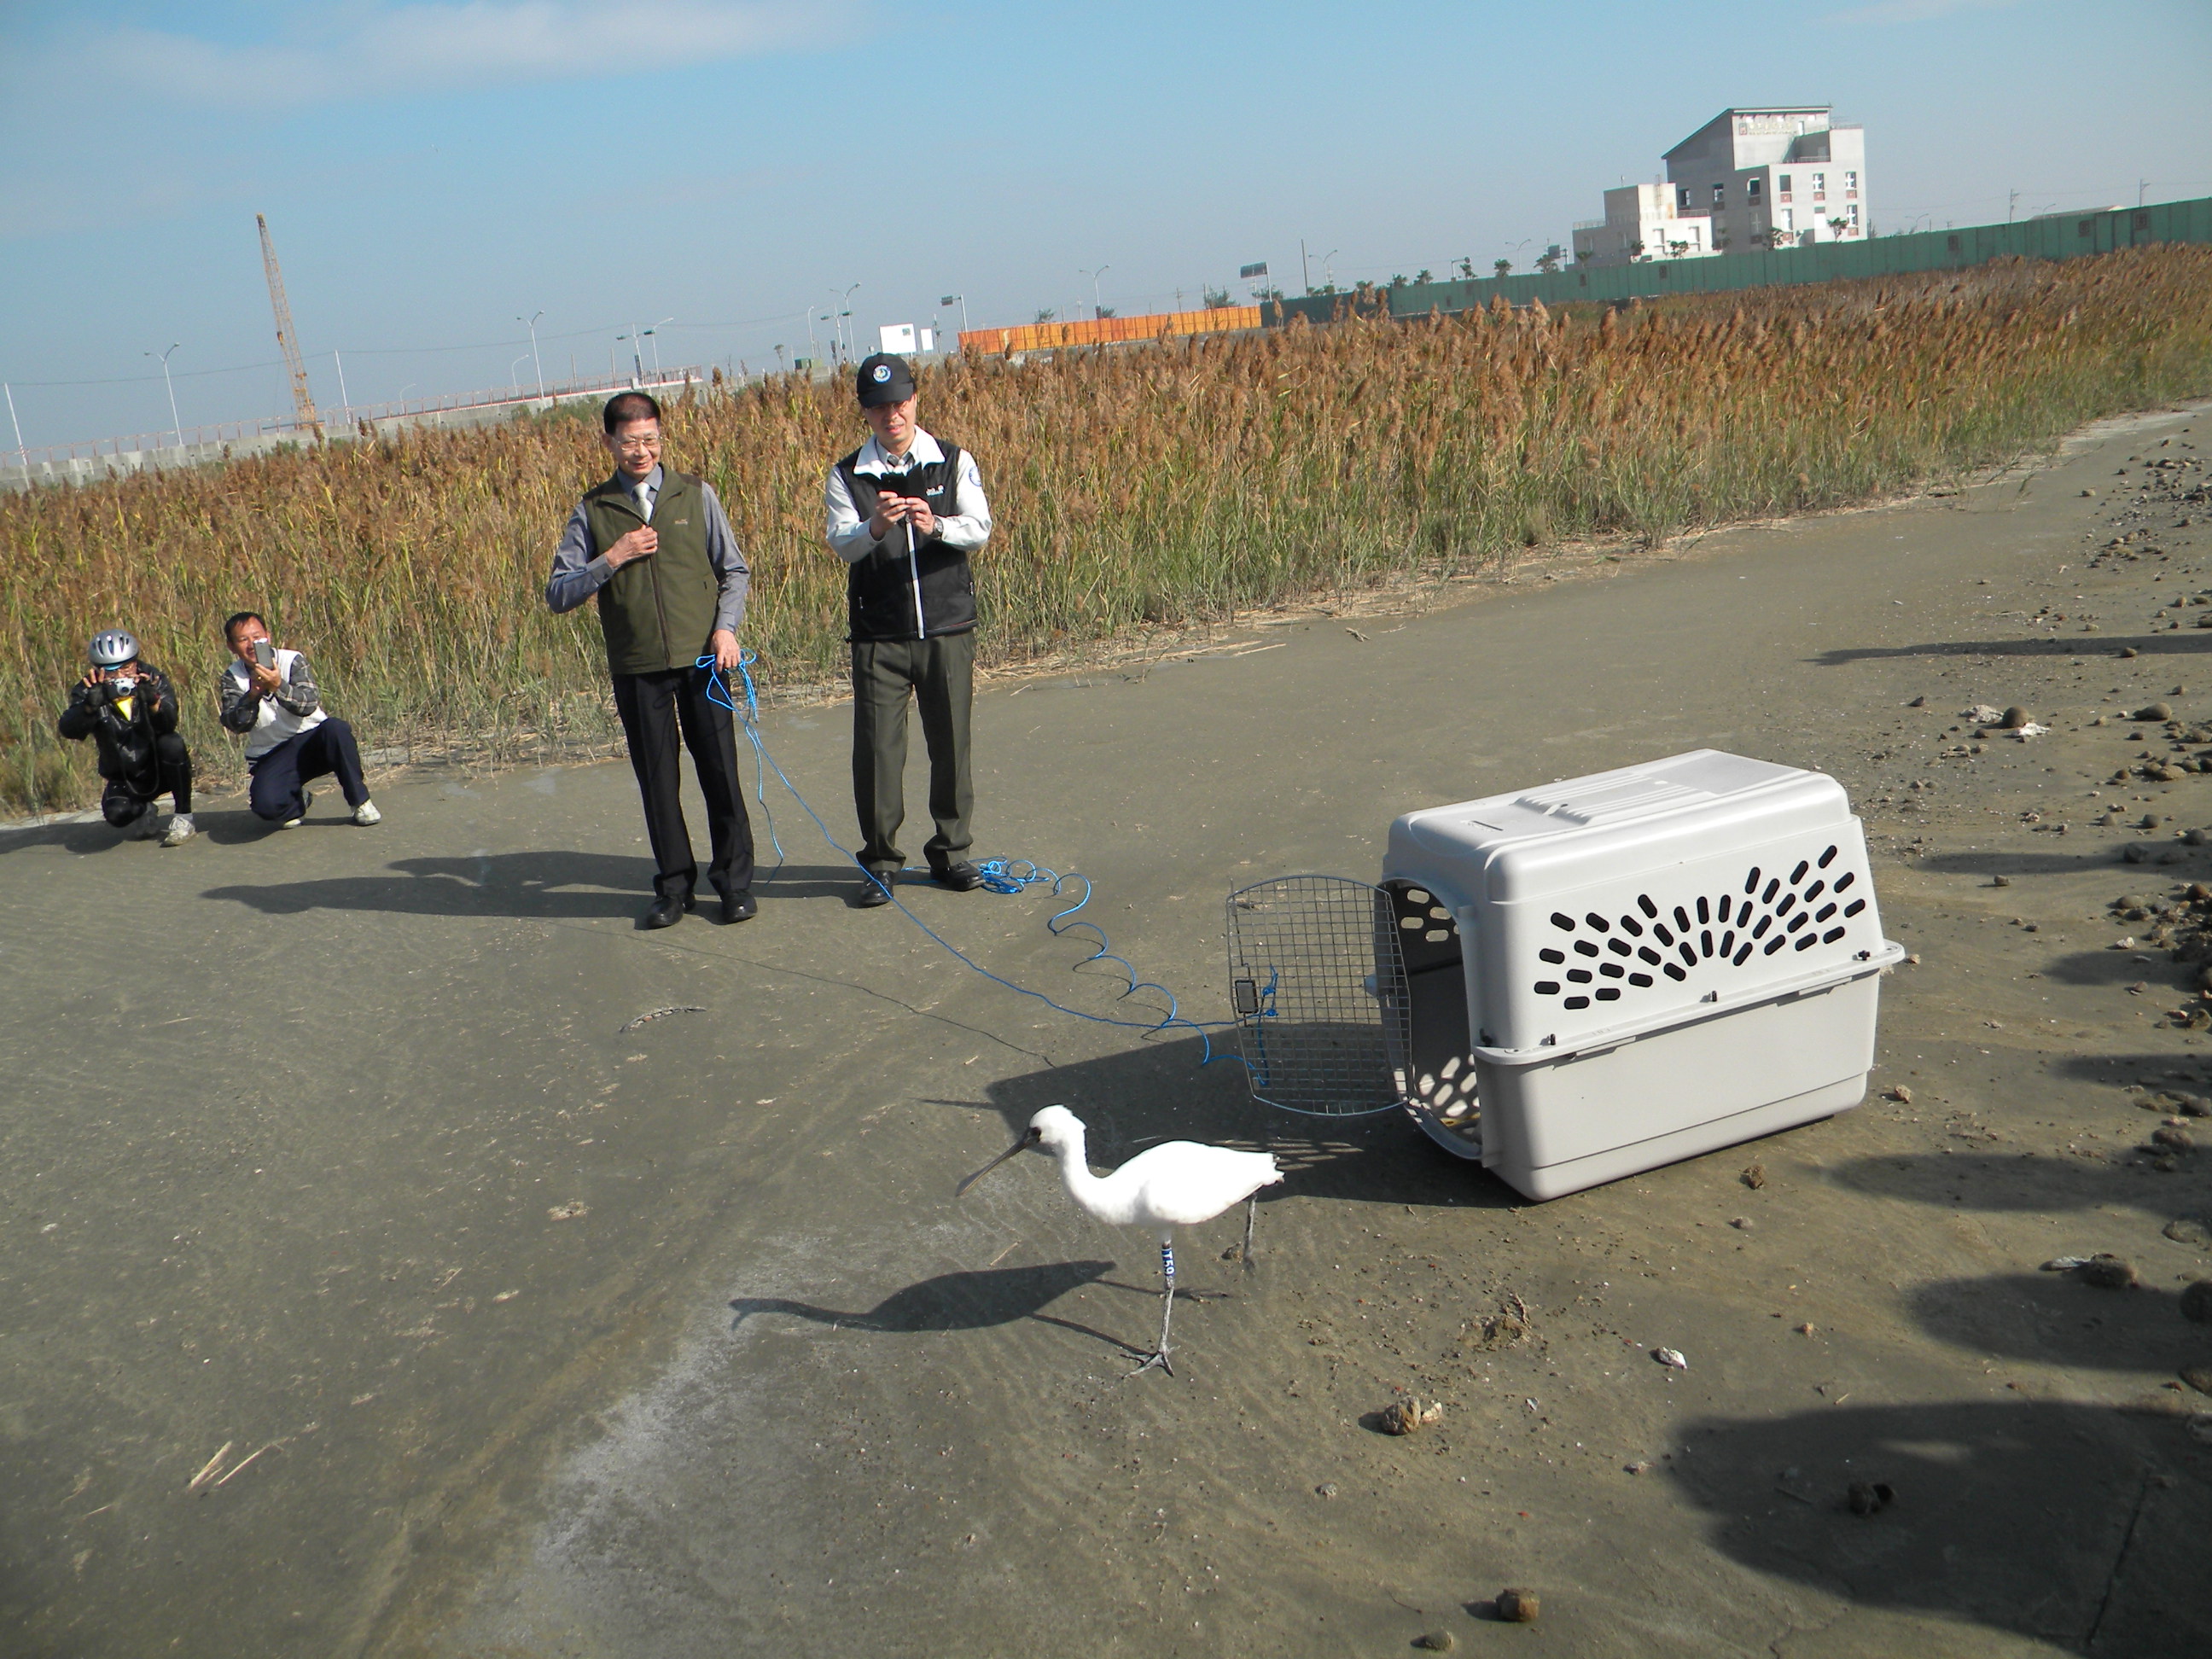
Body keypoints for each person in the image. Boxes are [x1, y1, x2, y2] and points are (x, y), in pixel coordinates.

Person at [546, 391, 756, 928]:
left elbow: (734, 570)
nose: (641, 451)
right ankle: (673, 888)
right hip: (637, 667)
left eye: (650, 440)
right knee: (658, 781)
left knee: (720, 775)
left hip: (703, 661)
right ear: (609, 442)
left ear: (661, 437)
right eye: (629, 441)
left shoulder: (695, 494)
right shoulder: (592, 510)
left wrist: (726, 629)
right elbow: (559, 593)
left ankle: (733, 884)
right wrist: (612, 558)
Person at [824, 352, 993, 908]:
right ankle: (881, 863)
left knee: (951, 743)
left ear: (915, 399)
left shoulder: (951, 460)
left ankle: (951, 852)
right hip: (880, 635)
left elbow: (979, 529)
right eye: (877, 407)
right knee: (877, 751)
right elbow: (841, 542)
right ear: (865, 413)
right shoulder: (848, 474)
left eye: (898, 402)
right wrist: (875, 526)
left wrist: (936, 524)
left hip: (946, 627)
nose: (890, 415)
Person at [218, 613, 381, 830]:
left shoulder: (291, 660)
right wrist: (252, 696)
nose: (251, 645)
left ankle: (360, 801)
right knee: (267, 806)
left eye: (257, 637)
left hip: (313, 738)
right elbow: (236, 725)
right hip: (272, 752)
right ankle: (296, 799)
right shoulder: (232, 677)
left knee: (337, 729)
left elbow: (308, 704)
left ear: (268, 636)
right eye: (243, 640)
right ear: (231, 646)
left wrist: (278, 686)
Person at [57, 628, 196, 847]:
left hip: (159, 766)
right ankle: (144, 808)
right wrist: (89, 708)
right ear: (98, 670)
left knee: (173, 744)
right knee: (117, 815)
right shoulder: (88, 688)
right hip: (123, 772)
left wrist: (154, 702)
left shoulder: (152, 679)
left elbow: (169, 724)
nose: (120, 675)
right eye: (110, 671)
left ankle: (183, 817)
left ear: (136, 662)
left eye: (126, 667)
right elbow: (69, 730)